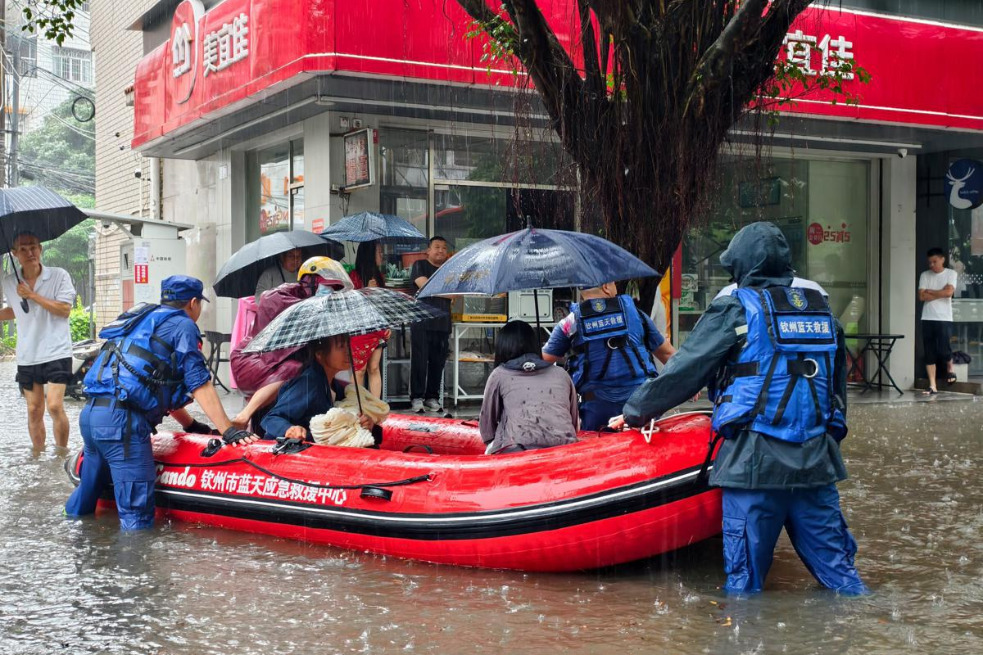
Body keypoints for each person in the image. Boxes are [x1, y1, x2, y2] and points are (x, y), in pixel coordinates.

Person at [612, 222, 867, 595]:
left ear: (742, 268)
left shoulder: (734, 310)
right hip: (816, 466)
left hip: (754, 466)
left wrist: (635, 411)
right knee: (845, 582)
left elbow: (684, 371)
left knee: (744, 588)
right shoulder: (823, 313)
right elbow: (836, 394)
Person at [65, 276, 258, 531]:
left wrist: (191, 425)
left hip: (92, 416)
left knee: (86, 496)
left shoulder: (143, 320)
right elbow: (199, 384)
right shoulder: (183, 325)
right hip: (122, 426)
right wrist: (229, 431)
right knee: (137, 518)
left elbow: (150, 382)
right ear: (193, 303)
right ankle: (133, 569)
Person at [231, 256, 353, 433]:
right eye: (327, 287)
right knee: (292, 369)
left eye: (334, 289)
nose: (330, 293)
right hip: (253, 357)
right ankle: (244, 415)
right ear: (309, 282)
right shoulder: (280, 297)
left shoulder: (313, 305)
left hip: (276, 362)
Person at [541, 281, 676, 431]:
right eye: (614, 284)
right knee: (645, 450)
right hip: (640, 404)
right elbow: (666, 352)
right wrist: (688, 378)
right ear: (606, 286)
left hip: (596, 409)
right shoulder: (635, 314)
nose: (616, 288)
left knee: (599, 452)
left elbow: (544, 360)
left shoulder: (570, 322)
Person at [0, 232, 76, 453]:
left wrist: (32, 295)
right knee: (34, 409)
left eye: (33, 246)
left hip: (56, 350)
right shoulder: (9, 281)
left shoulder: (58, 275)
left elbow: (64, 309)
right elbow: (17, 311)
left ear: (40, 248)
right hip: (28, 353)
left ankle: (61, 454)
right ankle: (38, 456)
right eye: (22, 249)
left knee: (54, 405)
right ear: (14, 254)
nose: (29, 252)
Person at [479, 320, 579, 454]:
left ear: (502, 347)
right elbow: (574, 423)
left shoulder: (499, 375)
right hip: (565, 450)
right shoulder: (561, 374)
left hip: (518, 452)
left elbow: (487, 430)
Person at [261, 334, 376, 441]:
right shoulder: (308, 383)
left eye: (348, 345)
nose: (348, 351)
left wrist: (365, 424)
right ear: (319, 354)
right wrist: (288, 429)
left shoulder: (336, 387)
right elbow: (271, 418)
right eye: (341, 346)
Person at [410, 236, 451, 413]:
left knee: (438, 362)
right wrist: (444, 291)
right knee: (419, 360)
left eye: (443, 247)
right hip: (421, 321)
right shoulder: (419, 265)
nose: (440, 250)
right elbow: (423, 286)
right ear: (428, 250)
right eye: (436, 247)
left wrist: (435, 291)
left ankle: (432, 397)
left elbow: (455, 295)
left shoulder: (450, 270)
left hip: (442, 322)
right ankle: (417, 397)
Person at [349, 240, 390, 398]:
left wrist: (387, 324)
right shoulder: (354, 276)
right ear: (369, 255)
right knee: (359, 370)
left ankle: (375, 405)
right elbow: (351, 303)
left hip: (377, 328)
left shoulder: (379, 277)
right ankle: (356, 405)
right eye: (378, 252)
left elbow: (384, 303)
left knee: (374, 368)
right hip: (359, 329)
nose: (381, 255)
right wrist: (366, 290)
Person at [918, 247, 958, 395]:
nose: (932, 265)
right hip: (927, 317)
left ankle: (950, 369)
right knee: (929, 352)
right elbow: (921, 297)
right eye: (930, 262)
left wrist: (931, 292)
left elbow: (949, 293)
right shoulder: (925, 275)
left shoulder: (951, 273)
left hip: (944, 317)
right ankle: (932, 385)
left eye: (934, 262)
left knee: (943, 348)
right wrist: (940, 292)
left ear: (942, 259)